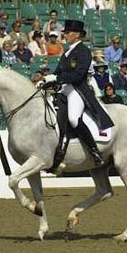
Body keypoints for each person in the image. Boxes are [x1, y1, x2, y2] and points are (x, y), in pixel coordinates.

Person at [51, 20, 114, 166]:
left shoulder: (84, 52)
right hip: (63, 89)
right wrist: (49, 79)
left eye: (68, 33)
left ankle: (94, 151)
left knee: (73, 118)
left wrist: (58, 78)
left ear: (77, 35)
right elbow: (58, 72)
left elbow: (78, 75)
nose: (65, 35)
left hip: (77, 89)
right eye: (65, 33)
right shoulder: (66, 52)